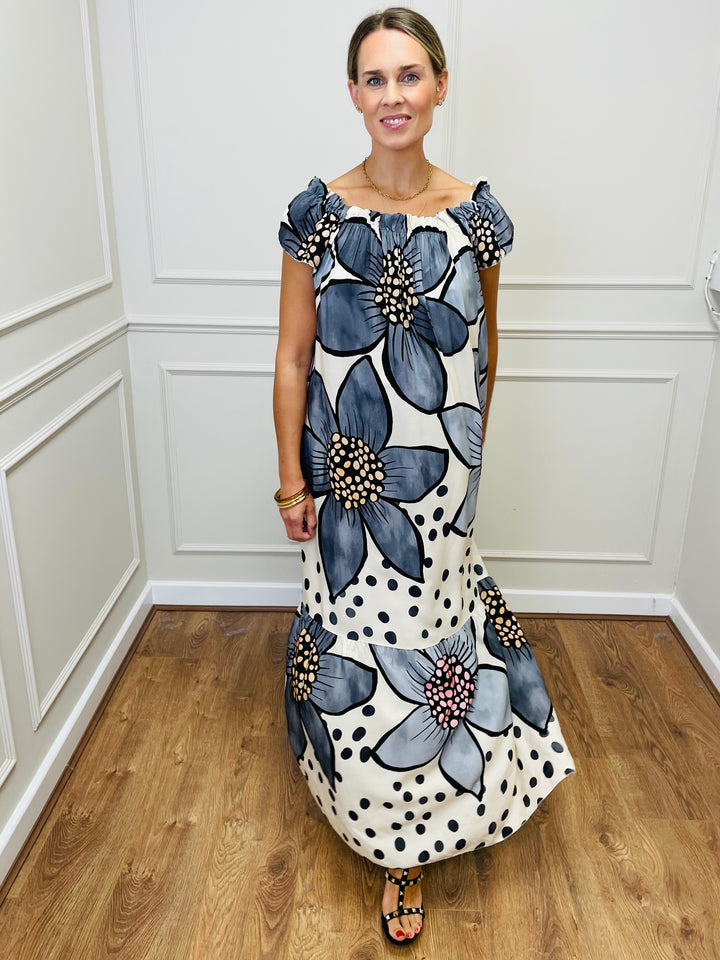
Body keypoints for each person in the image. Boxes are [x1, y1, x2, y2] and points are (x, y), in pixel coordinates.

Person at [273, 7, 574, 946]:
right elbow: (292, 359)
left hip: (441, 482)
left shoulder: (476, 215)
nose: (393, 95)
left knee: (433, 646)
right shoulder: (319, 214)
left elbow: (487, 351)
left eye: (409, 76)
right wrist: (291, 482)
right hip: (344, 482)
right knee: (360, 646)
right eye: (375, 78)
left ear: (440, 85)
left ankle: (420, 829)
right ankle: (384, 834)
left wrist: (473, 458)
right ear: (353, 93)